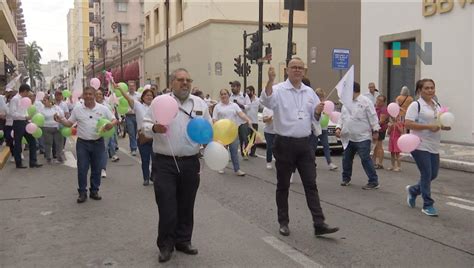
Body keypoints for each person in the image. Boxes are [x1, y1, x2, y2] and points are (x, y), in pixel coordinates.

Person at [260, 57, 339, 237]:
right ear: (287, 70)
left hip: (304, 144)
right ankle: (283, 222)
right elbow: (266, 101)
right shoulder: (279, 89)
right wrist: (270, 81)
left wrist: (318, 112)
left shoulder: (309, 92)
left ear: (304, 71)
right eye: (293, 67)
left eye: (300, 68)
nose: (297, 70)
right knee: (283, 185)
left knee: (311, 184)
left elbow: (314, 119)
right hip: (284, 143)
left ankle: (319, 223)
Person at [143, 68, 210, 263]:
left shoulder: (200, 104)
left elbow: (208, 127)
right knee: (166, 205)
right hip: (165, 163)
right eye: (180, 80)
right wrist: (154, 128)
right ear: (172, 82)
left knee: (187, 204)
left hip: (190, 161)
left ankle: (183, 240)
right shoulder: (159, 102)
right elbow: (146, 127)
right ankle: (165, 245)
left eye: (188, 80)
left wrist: (208, 141)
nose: (185, 83)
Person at [54, 86, 117, 203]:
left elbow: (114, 119)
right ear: (83, 96)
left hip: (98, 143)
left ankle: (94, 190)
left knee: (97, 168)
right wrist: (60, 119)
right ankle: (82, 192)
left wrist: (111, 125)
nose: (88, 96)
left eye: (90, 94)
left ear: (94, 95)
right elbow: (69, 123)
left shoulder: (103, 108)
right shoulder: (78, 109)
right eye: (86, 94)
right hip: (83, 143)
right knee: (82, 168)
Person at [405, 78, 450, 216]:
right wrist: (428, 127)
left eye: (432, 87)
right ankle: (427, 204)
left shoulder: (436, 105)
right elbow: (408, 124)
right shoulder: (415, 105)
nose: (430, 90)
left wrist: (444, 125)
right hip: (419, 144)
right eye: (427, 88)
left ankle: (413, 190)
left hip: (433, 144)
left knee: (433, 174)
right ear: (420, 90)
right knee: (426, 173)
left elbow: (438, 122)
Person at [335, 82, 381, 189]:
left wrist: (375, 131)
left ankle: (373, 181)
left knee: (365, 158)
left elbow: (373, 117)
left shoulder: (366, 102)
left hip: (363, 137)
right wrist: (338, 127)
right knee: (346, 158)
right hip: (348, 137)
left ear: (353, 91)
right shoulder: (346, 103)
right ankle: (346, 178)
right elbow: (342, 117)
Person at [119, 86, 155, 185]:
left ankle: (153, 176)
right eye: (147, 95)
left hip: (154, 136)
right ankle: (146, 178)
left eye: (151, 95)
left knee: (156, 159)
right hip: (142, 136)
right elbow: (128, 98)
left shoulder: (156, 107)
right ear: (143, 97)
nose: (149, 97)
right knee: (145, 159)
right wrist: (121, 89)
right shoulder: (138, 105)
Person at [212, 88, 252, 176]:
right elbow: (214, 119)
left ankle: (237, 169)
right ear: (220, 96)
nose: (223, 96)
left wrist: (248, 120)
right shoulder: (217, 106)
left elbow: (241, 114)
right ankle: (221, 167)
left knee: (234, 152)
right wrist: (217, 128)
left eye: (225, 94)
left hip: (233, 132)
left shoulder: (234, 105)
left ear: (228, 95)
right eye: (221, 94)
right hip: (222, 133)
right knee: (223, 151)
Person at [10, 84, 42, 169]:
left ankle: (33, 162)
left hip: (26, 122)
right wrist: (24, 117)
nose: (28, 95)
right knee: (18, 143)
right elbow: (13, 113)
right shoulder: (15, 99)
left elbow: (25, 111)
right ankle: (18, 163)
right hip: (18, 123)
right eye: (27, 92)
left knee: (32, 141)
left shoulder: (25, 100)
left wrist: (28, 119)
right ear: (24, 91)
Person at [95, 89, 119, 178]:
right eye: (96, 94)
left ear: (102, 96)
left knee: (104, 149)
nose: (98, 96)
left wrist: (110, 125)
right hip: (93, 131)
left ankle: (103, 169)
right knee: (95, 150)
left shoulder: (106, 106)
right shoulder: (91, 106)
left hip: (104, 131)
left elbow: (113, 119)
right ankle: (96, 165)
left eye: (100, 94)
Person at [313, 88, 338, 171]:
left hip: (323, 128)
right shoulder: (314, 104)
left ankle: (330, 163)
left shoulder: (325, 104)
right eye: (320, 96)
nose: (322, 98)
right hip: (315, 128)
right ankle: (312, 161)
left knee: (326, 146)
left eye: (322, 97)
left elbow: (327, 114)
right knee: (313, 146)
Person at [39, 94, 65, 164]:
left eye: (45, 100)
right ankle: (48, 158)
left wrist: (58, 116)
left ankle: (59, 157)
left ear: (50, 100)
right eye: (43, 100)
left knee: (59, 143)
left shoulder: (56, 108)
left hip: (57, 127)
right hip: (47, 128)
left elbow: (62, 115)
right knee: (48, 144)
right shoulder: (42, 109)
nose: (43, 102)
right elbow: (39, 118)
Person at [229, 80, 251, 159]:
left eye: (234, 87)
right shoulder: (229, 96)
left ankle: (244, 153)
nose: (232, 88)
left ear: (239, 87)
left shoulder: (244, 95)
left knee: (244, 138)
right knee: (232, 139)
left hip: (242, 121)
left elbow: (248, 106)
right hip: (233, 121)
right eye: (231, 87)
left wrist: (239, 105)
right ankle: (232, 156)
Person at [124, 80, 141, 156]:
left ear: (135, 87)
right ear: (128, 87)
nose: (131, 87)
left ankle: (139, 147)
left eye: (132, 86)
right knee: (131, 133)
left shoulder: (139, 95)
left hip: (137, 115)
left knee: (138, 132)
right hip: (128, 116)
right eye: (130, 86)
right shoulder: (125, 95)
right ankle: (133, 149)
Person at [372, 95, 389, 169]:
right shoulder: (375, 108)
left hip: (380, 129)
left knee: (379, 146)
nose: (378, 101)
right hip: (375, 128)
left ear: (383, 102)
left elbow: (381, 121)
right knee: (375, 146)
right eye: (378, 99)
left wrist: (374, 126)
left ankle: (380, 163)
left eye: (381, 100)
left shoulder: (383, 109)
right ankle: (373, 162)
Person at [244, 86, 260, 157]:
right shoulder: (245, 100)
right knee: (246, 138)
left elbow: (263, 107)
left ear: (253, 91)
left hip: (255, 122)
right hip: (246, 121)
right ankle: (245, 152)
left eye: (248, 91)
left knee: (253, 138)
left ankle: (252, 153)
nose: (247, 93)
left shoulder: (258, 100)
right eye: (246, 91)